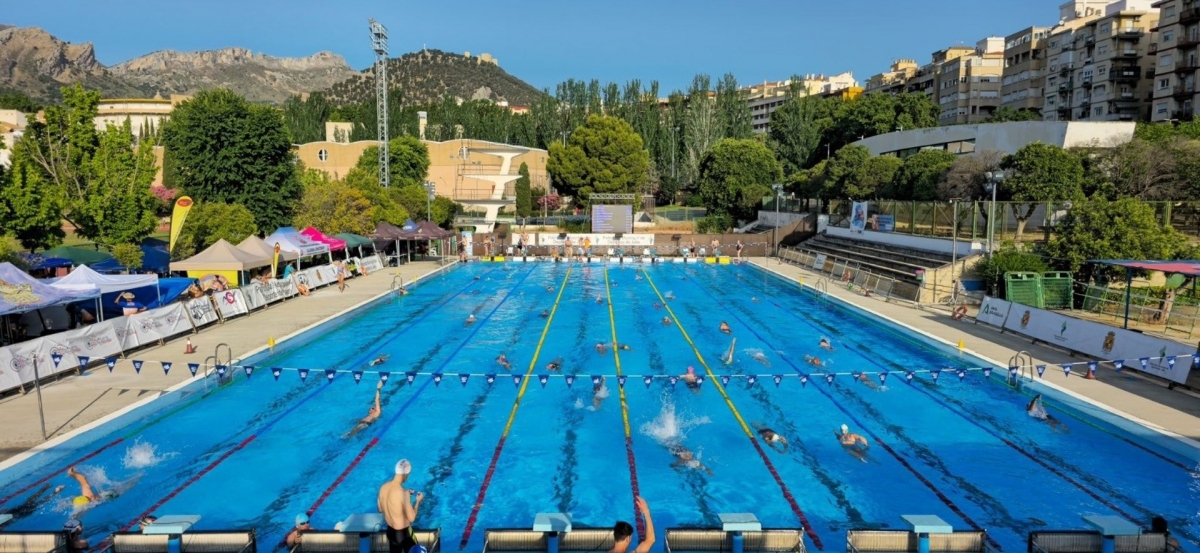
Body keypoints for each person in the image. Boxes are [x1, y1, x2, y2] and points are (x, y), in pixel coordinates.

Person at [379, 459, 424, 553]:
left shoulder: (383, 487)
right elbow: (411, 518)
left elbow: (380, 509)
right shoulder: (403, 493)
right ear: (405, 474)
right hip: (403, 535)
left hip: (390, 532)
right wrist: (417, 502)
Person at [67, 466, 132, 507]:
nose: (92, 497)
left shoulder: (87, 497)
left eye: (89, 497)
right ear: (90, 502)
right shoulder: (89, 503)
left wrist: (73, 473)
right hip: (110, 495)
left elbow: (83, 482)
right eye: (90, 499)